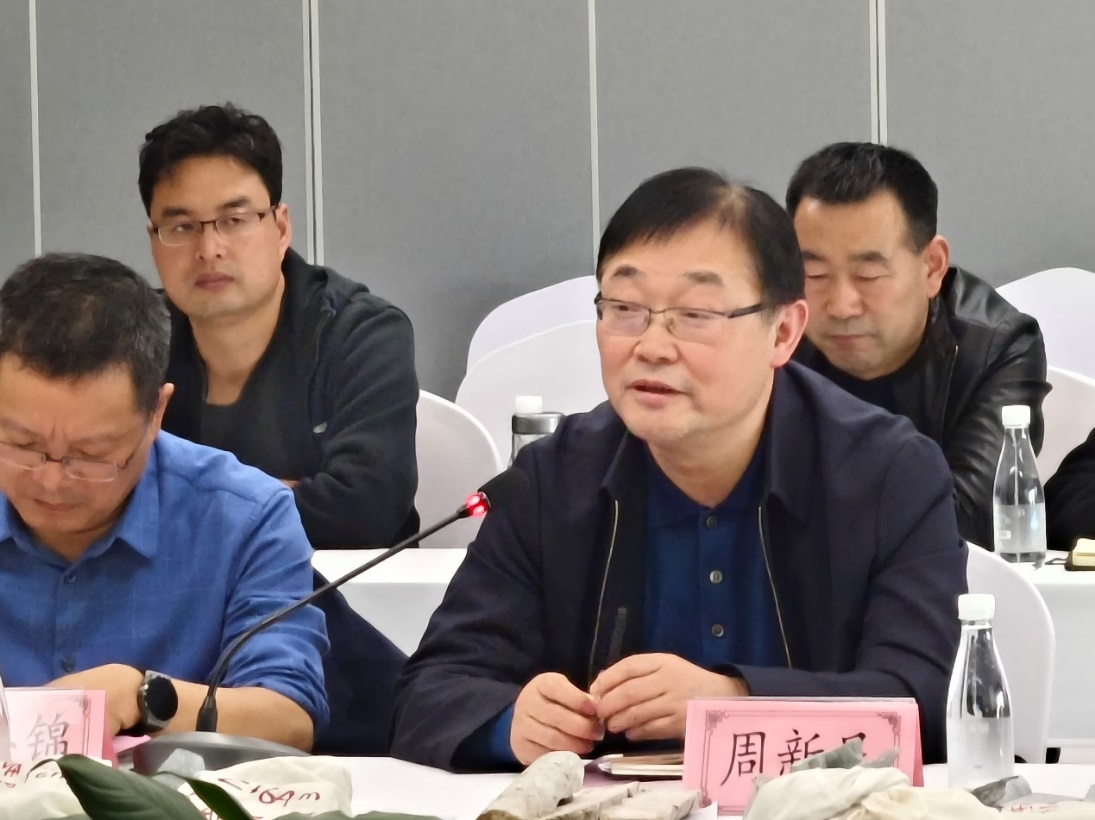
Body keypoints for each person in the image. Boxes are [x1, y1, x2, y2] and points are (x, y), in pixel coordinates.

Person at [390, 168, 967, 771]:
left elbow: (924, 700)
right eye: (625, 308)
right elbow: (428, 692)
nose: (652, 346)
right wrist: (512, 722)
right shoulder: (551, 480)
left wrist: (734, 702)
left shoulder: (889, 474)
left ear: (783, 331)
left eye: (695, 314)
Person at [0, 253, 327, 748]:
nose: (51, 481)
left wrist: (140, 696)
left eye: (91, 455)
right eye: (22, 445)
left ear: (156, 413)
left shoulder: (243, 517)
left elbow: (288, 717)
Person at [140, 103, 419, 549]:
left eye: (234, 220)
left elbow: (366, 511)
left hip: (334, 585)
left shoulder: (361, 334)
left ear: (281, 227)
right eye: (181, 227)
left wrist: (178, 504)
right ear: (154, 242)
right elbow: (86, 493)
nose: (208, 248)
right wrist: (284, 496)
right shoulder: (132, 340)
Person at [786, 142, 1048, 549]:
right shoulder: (770, 337)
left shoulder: (994, 346)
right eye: (815, 274)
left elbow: (969, 520)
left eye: (868, 275)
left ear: (932, 267)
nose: (840, 306)